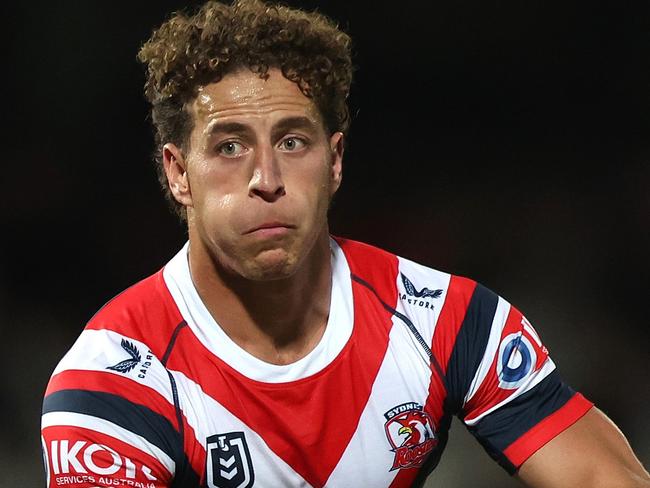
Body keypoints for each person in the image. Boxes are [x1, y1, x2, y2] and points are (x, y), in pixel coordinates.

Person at [41, 1, 649, 487]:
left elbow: (603, 476)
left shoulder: (450, 322)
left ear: (334, 162)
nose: (266, 180)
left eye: (292, 142)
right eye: (229, 146)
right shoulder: (110, 380)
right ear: (178, 173)